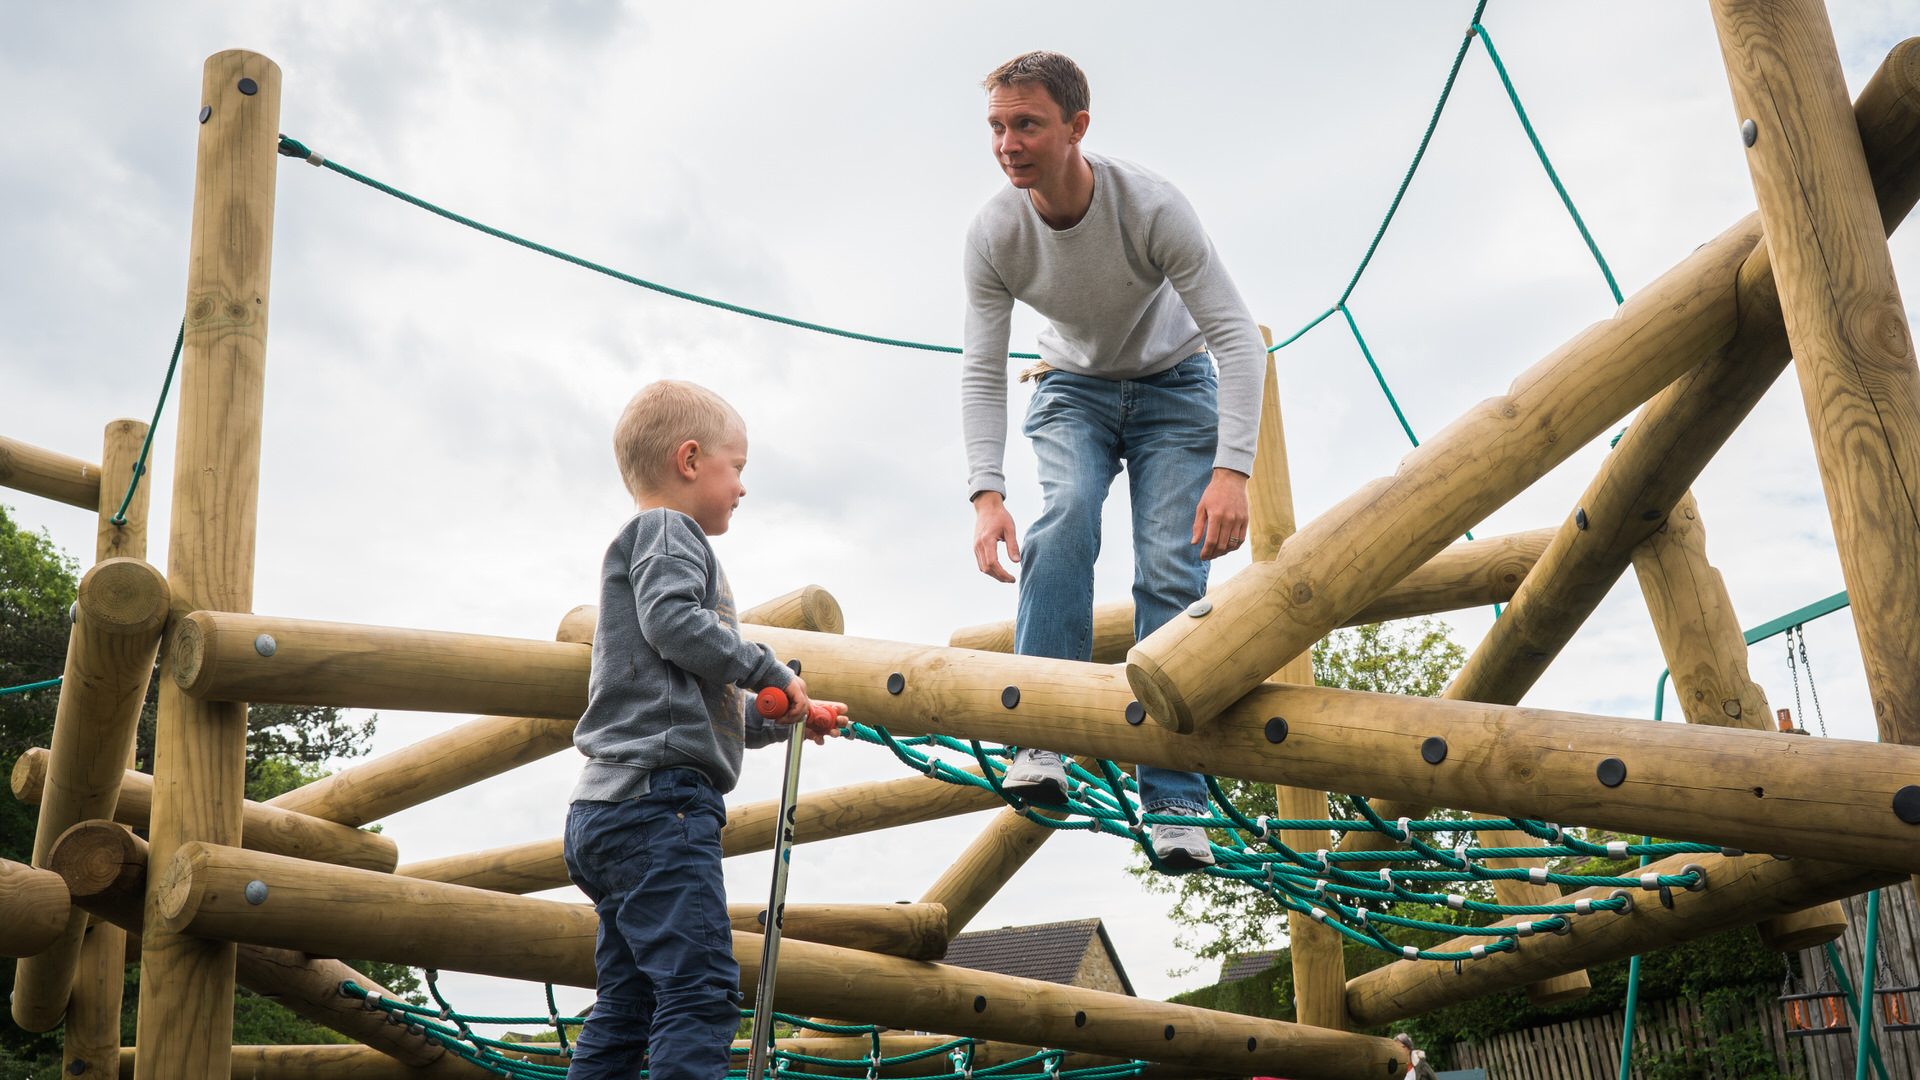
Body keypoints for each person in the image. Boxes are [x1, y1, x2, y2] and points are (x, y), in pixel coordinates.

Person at [960, 51, 1265, 871]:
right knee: (1063, 522)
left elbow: (1236, 337)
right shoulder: (996, 231)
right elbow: (983, 366)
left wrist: (1233, 470)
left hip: (1176, 386)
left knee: (1169, 567)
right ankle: (1041, 738)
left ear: (1075, 129)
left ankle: (1172, 800)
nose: (1007, 143)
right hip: (1071, 389)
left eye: (1026, 124)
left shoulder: (1151, 206)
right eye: (996, 125)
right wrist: (986, 493)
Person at [564, 380, 848, 1080]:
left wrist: (781, 718)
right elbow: (673, 624)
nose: (743, 487)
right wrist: (771, 671)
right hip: (660, 807)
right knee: (702, 992)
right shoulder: (669, 532)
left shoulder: (657, 544)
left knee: (628, 1005)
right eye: (738, 467)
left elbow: (702, 707)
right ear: (689, 459)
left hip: (610, 812)